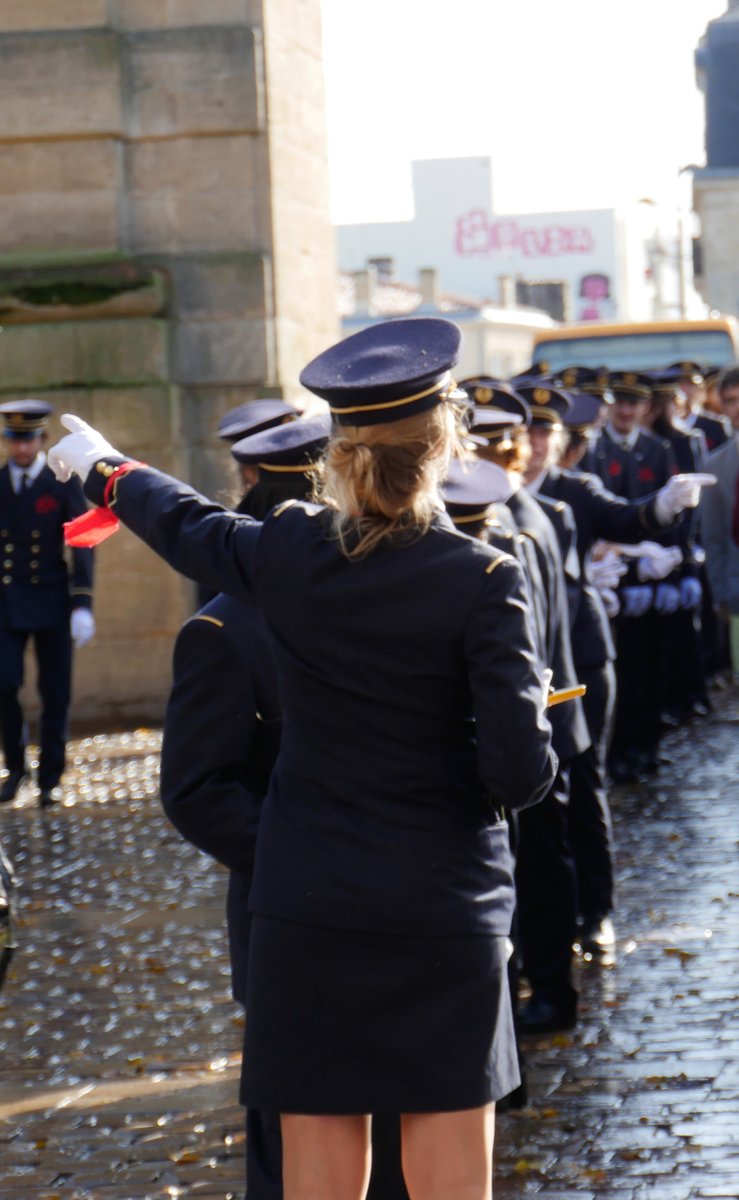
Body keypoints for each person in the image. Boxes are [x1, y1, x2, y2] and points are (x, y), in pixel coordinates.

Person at [49, 317, 557, 1200]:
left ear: (339, 456)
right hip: (443, 906)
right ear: (441, 446)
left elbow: (187, 524)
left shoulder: (286, 550)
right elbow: (521, 777)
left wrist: (103, 466)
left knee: (317, 1178)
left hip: (308, 905)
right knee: (447, 1178)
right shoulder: (483, 577)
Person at [0, 400, 95, 808]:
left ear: (42, 440)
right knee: (4, 685)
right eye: (14, 440)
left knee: (55, 691)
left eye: (30, 439)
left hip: (53, 598)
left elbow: (82, 540)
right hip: (5, 601)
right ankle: (16, 767)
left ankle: (50, 777)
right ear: (6, 442)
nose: (22, 449)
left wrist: (83, 601)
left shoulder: (62, 482)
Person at [701, 366, 739, 679]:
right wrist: (720, 593)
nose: (737, 408)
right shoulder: (715, 464)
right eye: (730, 401)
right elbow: (712, 536)